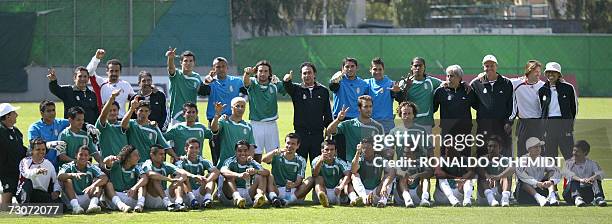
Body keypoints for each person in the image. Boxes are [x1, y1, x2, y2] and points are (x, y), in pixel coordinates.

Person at [283, 62, 333, 165]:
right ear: (301, 75)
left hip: (317, 135)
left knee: (317, 165)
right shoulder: (296, 89)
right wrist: (287, 80)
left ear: (314, 74)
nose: (307, 76)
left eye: (309, 73)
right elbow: (288, 87)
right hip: (301, 135)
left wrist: (328, 132)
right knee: (299, 165)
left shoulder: (323, 91)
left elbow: (327, 113)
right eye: (304, 73)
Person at [199, 57, 244, 164]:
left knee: (234, 151)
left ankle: (233, 175)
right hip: (215, 121)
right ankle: (217, 178)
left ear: (227, 68)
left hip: (232, 121)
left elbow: (249, 91)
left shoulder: (236, 81)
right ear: (214, 69)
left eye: (223, 66)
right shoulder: (211, 83)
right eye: (218, 67)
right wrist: (206, 82)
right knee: (216, 152)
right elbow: (201, 93)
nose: (221, 69)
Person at [388, 101, 433, 206]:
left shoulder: (421, 130)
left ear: (414, 114)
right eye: (404, 113)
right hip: (403, 168)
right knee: (402, 176)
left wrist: (431, 164)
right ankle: (408, 200)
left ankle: (425, 199)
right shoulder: (394, 131)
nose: (407, 116)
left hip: (418, 167)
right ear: (400, 114)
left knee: (425, 175)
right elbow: (389, 152)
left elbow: (430, 150)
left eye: (409, 113)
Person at [470, 55, 513, 157]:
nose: (489, 68)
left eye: (492, 65)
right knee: (482, 152)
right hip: (484, 126)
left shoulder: (506, 83)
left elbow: (511, 104)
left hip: (502, 126)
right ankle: (482, 173)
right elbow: (473, 102)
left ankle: (505, 173)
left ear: (496, 66)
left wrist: (508, 122)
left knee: (504, 153)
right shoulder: (477, 83)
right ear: (483, 67)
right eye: (486, 66)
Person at [243, 60, 285, 162]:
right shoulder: (252, 82)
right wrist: (247, 73)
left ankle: (275, 177)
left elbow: (285, 90)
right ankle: (255, 176)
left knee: (275, 156)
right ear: (256, 72)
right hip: (256, 124)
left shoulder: (274, 84)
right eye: (260, 71)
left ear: (270, 73)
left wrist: (280, 82)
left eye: (266, 71)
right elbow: (246, 82)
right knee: (255, 155)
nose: (263, 73)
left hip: (271, 124)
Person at [329, 57, 369, 159]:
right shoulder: (338, 80)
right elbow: (332, 86)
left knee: (356, 151)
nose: (350, 69)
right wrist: (334, 81)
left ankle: (355, 173)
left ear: (357, 68)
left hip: (356, 121)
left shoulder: (363, 84)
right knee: (339, 151)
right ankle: (342, 174)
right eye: (347, 66)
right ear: (342, 69)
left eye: (352, 66)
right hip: (340, 119)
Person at [434, 65, 477, 157]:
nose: (449, 78)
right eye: (448, 76)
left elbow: (477, 106)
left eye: (452, 76)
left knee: (465, 158)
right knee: (445, 158)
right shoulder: (440, 91)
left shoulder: (468, 91)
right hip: (447, 131)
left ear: (459, 78)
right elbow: (433, 108)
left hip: (464, 131)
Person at [142, 145, 201, 211]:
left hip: (165, 196)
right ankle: (167, 202)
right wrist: (170, 179)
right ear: (152, 155)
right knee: (155, 179)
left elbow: (182, 172)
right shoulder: (147, 163)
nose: (163, 157)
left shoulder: (165, 164)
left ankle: (179, 202)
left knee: (180, 177)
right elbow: (151, 174)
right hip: (151, 199)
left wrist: (192, 176)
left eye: (164, 154)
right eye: (160, 154)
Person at [326, 95, 384, 162]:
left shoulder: (378, 127)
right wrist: (338, 119)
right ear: (359, 108)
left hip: (370, 165)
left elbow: (381, 148)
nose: (369, 109)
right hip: (351, 163)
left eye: (370, 106)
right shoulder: (348, 124)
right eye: (365, 107)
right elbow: (329, 131)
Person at [261, 133, 313, 207]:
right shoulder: (277, 155)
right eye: (288, 143)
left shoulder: (301, 160)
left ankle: (287, 201)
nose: (290, 146)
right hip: (276, 189)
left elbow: (299, 179)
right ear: (285, 143)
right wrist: (274, 152)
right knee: (267, 175)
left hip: (293, 190)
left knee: (310, 180)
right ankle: (274, 198)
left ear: (298, 146)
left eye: (293, 144)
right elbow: (264, 160)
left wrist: (293, 184)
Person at [539, 62, 578, 160]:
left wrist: (569, 125)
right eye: (548, 72)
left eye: (554, 72)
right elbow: (541, 110)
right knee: (550, 157)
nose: (551, 74)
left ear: (559, 74)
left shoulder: (568, 88)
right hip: (548, 126)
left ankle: (570, 175)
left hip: (563, 125)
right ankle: (553, 175)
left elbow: (574, 108)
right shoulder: (542, 90)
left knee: (569, 155)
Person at [396, 57, 443, 134]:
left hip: (426, 123)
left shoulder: (431, 81)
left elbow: (447, 84)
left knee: (427, 146)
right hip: (409, 124)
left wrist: (463, 83)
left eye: (420, 65)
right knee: (410, 146)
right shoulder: (404, 83)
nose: (418, 68)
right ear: (411, 67)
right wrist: (406, 88)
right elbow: (401, 103)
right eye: (415, 66)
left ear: (424, 67)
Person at [509, 60, 546, 157]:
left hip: (539, 123)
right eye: (536, 71)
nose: (539, 74)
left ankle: (541, 171)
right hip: (523, 124)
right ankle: (522, 171)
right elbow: (501, 80)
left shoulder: (543, 86)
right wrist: (482, 75)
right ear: (529, 71)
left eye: (539, 71)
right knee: (522, 152)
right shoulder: (517, 84)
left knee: (540, 152)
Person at [219, 140, 269, 208]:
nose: (243, 153)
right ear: (235, 152)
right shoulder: (230, 161)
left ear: (248, 152)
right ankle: (237, 198)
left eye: (245, 150)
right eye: (239, 151)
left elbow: (267, 172)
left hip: (247, 193)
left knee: (262, 175)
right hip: (230, 196)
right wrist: (239, 175)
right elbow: (222, 170)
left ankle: (259, 197)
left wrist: (256, 171)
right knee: (229, 175)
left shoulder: (252, 162)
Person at [58, 146, 108, 214]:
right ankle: (76, 207)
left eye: (86, 155)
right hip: (71, 200)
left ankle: (92, 205)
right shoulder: (68, 166)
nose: (83, 157)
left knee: (98, 181)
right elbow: (59, 176)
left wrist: (93, 185)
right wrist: (73, 175)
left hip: (87, 197)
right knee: (67, 180)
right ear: (76, 155)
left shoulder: (91, 166)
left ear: (89, 157)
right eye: (81, 154)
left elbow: (105, 178)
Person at [86, 49, 136, 117]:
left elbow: (135, 98)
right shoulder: (100, 83)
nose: (114, 73)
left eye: (116, 71)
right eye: (111, 71)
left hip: (121, 121)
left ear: (120, 72)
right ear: (107, 71)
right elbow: (89, 72)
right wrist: (96, 58)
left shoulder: (126, 85)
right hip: (105, 121)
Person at [513, 137, 561, 206]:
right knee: (523, 181)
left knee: (552, 172)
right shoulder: (523, 159)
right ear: (529, 149)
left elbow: (558, 172)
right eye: (535, 147)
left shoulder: (543, 159)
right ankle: (539, 198)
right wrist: (536, 183)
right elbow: (521, 175)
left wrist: (551, 182)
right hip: (524, 194)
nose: (538, 148)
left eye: (539, 146)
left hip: (541, 190)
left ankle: (552, 195)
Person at [122, 98, 172, 163]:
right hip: (133, 164)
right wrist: (131, 108)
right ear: (136, 111)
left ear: (149, 112)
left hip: (148, 165)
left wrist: (175, 157)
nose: (143, 113)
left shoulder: (153, 127)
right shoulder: (131, 124)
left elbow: (165, 145)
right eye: (141, 111)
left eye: (146, 111)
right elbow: (123, 125)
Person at [311, 139, 358, 207]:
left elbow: (348, 174)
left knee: (344, 180)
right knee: (318, 178)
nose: (329, 152)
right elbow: (314, 175)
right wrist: (320, 161)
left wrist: (340, 187)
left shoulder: (340, 161)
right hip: (323, 191)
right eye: (327, 150)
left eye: (332, 149)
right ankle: (323, 198)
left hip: (337, 192)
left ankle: (354, 199)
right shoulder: (316, 160)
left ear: (335, 151)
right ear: (322, 151)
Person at [175, 138, 220, 209]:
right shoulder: (180, 162)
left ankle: (207, 199)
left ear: (199, 149)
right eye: (191, 148)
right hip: (186, 194)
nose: (194, 150)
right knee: (181, 176)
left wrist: (206, 180)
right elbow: (180, 172)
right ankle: (191, 199)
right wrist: (194, 176)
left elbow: (216, 172)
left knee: (210, 175)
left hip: (200, 191)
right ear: (186, 149)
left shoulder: (203, 160)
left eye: (196, 148)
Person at [210, 97, 255, 167]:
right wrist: (217, 115)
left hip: (242, 165)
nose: (240, 108)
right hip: (225, 165)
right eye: (237, 106)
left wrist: (250, 158)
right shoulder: (224, 121)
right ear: (231, 107)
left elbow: (251, 145)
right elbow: (214, 129)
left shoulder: (248, 126)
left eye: (242, 106)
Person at [102, 145, 148, 213]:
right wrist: (110, 158)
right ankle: (122, 206)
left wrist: (134, 188)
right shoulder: (117, 164)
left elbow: (145, 178)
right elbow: (105, 162)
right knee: (108, 184)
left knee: (142, 185)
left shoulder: (137, 167)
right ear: (128, 157)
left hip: (130, 196)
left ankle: (140, 205)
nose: (138, 157)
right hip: (116, 198)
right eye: (136, 155)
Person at [350, 138, 394, 207]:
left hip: (376, 192)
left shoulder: (380, 159)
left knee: (389, 177)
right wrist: (358, 152)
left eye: (368, 148)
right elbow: (353, 170)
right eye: (363, 148)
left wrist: (384, 186)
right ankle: (364, 199)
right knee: (354, 175)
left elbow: (392, 171)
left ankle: (382, 201)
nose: (365, 150)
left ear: (374, 148)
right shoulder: (360, 158)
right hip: (362, 192)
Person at [562, 140, 606, 207]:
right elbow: (567, 174)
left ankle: (599, 198)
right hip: (570, 194)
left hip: (587, 194)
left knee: (596, 179)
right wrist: (581, 180)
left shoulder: (592, 163)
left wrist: (591, 178)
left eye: (577, 151)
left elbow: (601, 173)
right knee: (574, 181)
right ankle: (577, 198)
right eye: (574, 150)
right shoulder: (568, 163)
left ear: (585, 153)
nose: (574, 153)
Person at [16, 138, 61, 204]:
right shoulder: (25, 161)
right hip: (24, 192)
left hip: (40, 193)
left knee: (61, 206)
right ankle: (24, 207)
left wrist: (56, 191)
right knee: (27, 182)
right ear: (32, 151)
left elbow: (56, 180)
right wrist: (37, 171)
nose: (41, 152)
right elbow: (26, 174)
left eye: (43, 149)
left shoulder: (48, 164)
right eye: (38, 149)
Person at [165, 48, 203, 125]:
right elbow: (171, 68)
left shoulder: (197, 77)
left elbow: (201, 92)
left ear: (194, 63)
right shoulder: (176, 74)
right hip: (177, 116)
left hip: (192, 115)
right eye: (185, 61)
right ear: (181, 62)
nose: (188, 63)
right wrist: (170, 58)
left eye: (191, 61)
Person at [0, 103, 27, 210]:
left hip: (17, 171)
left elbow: (20, 149)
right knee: (6, 201)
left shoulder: (16, 131)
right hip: (4, 173)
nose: (17, 114)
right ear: (7, 116)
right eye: (14, 113)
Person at [28, 100, 69, 168]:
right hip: (41, 166)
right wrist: (48, 144)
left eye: (53, 110)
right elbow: (33, 145)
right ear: (42, 113)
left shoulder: (61, 122)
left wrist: (86, 125)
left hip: (59, 166)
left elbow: (74, 121)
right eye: (48, 111)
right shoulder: (34, 128)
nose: (52, 113)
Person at [364, 57, 401, 133]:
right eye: (375, 69)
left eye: (380, 69)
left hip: (387, 124)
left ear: (383, 70)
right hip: (370, 123)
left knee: (387, 145)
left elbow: (399, 98)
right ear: (370, 70)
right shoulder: (366, 83)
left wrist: (397, 92)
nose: (377, 72)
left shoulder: (391, 84)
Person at [478, 135, 512, 207]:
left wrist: (498, 177)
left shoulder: (504, 160)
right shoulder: (482, 159)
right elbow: (478, 168)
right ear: (487, 148)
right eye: (490, 146)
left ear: (500, 148)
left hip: (499, 193)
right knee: (482, 178)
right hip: (485, 195)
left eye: (495, 146)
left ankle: (505, 199)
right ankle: (491, 198)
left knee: (506, 176)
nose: (492, 148)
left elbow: (513, 168)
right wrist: (487, 176)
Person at [96, 89, 128, 158]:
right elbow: (103, 116)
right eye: (109, 111)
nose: (112, 113)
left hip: (123, 164)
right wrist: (112, 98)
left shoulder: (124, 124)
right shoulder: (101, 125)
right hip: (108, 164)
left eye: (114, 110)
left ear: (118, 111)